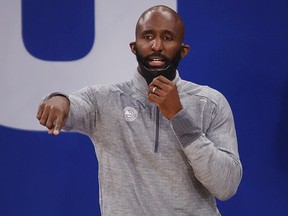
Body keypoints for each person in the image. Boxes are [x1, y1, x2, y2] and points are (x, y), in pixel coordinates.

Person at [37, 5, 242, 216]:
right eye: (148, 36)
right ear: (134, 47)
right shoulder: (103, 100)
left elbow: (225, 186)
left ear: (183, 50)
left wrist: (179, 117)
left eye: (168, 38)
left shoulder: (210, 103)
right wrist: (59, 99)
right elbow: (72, 106)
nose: (156, 46)